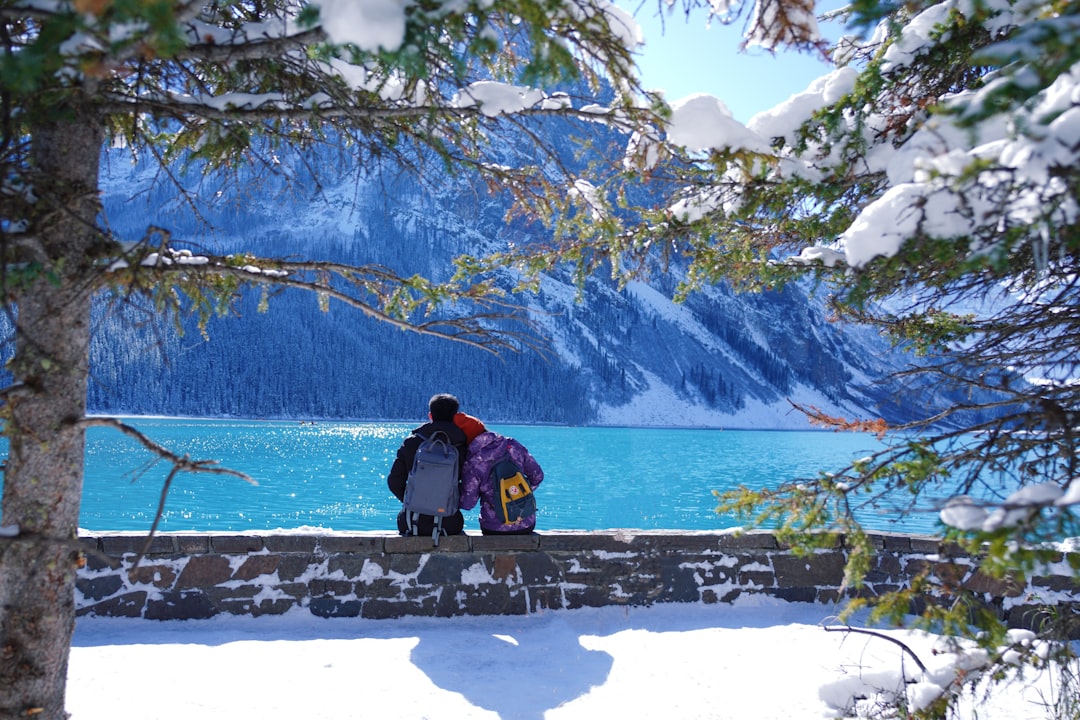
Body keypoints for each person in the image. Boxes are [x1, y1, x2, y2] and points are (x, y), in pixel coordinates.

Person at [387, 393, 469, 537]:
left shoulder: (411, 443)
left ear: (430, 415)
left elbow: (394, 481)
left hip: (411, 522)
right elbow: (470, 487)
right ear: (456, 417)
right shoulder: (463, 447)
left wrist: (414, 501)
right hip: (449, 523)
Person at [459, 428, 544, 535]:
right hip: (526, 524)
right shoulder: (513, 445)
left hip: (494, 528)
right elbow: (538, 476)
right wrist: (518, 493)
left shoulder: (474, 462)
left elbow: (468, 503)